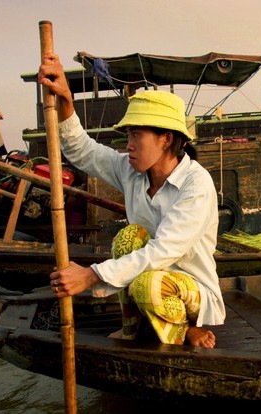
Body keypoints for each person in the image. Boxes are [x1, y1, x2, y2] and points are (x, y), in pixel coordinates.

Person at [38, 53, 224, 349]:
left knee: (147, 284)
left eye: (136, 135)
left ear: (166, 138)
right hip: (147, 281)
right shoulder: (132, 171)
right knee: (128, 238)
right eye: (128, 135)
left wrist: (90, 275)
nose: (129, 145)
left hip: (190, 290)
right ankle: (133, 326)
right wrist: (65, 100)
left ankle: (185, 328)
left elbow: (163, 250)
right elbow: (83, 151)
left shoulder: (196, 184)